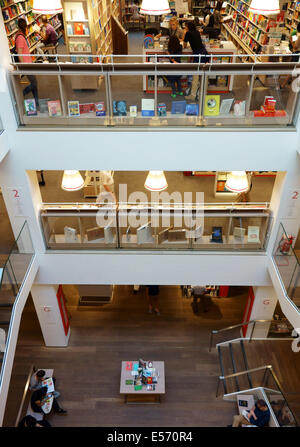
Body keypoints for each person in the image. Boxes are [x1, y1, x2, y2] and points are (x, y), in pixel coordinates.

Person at [15, 18, 39, 108]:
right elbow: (19, 53)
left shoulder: (19, 35)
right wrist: (23, 66)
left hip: (28, 63)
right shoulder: (20, 37)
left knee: (35, 83)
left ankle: (37, 103)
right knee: (34, 83)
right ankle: (22, 94)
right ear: (25, 26)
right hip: (26, 64)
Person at [183, 21, 208, 100]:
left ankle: (193, 95)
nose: (185, 27)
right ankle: (203, 93)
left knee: (195, 76)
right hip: (204, 53)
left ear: (188, 26)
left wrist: (185, 33)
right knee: (204, 74)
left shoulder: (188, 33)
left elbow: (184, 44)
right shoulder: (197, 32)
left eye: (185, 26)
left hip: (197, 55)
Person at [281, 23, 300, 88]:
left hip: (297, 54)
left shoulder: (299, 35)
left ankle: (283, 85)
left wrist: (291, 41)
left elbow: (295, 46)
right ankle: (291, 84)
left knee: (292, 70)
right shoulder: (297, 34)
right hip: (297, 54)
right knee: (295, 70)